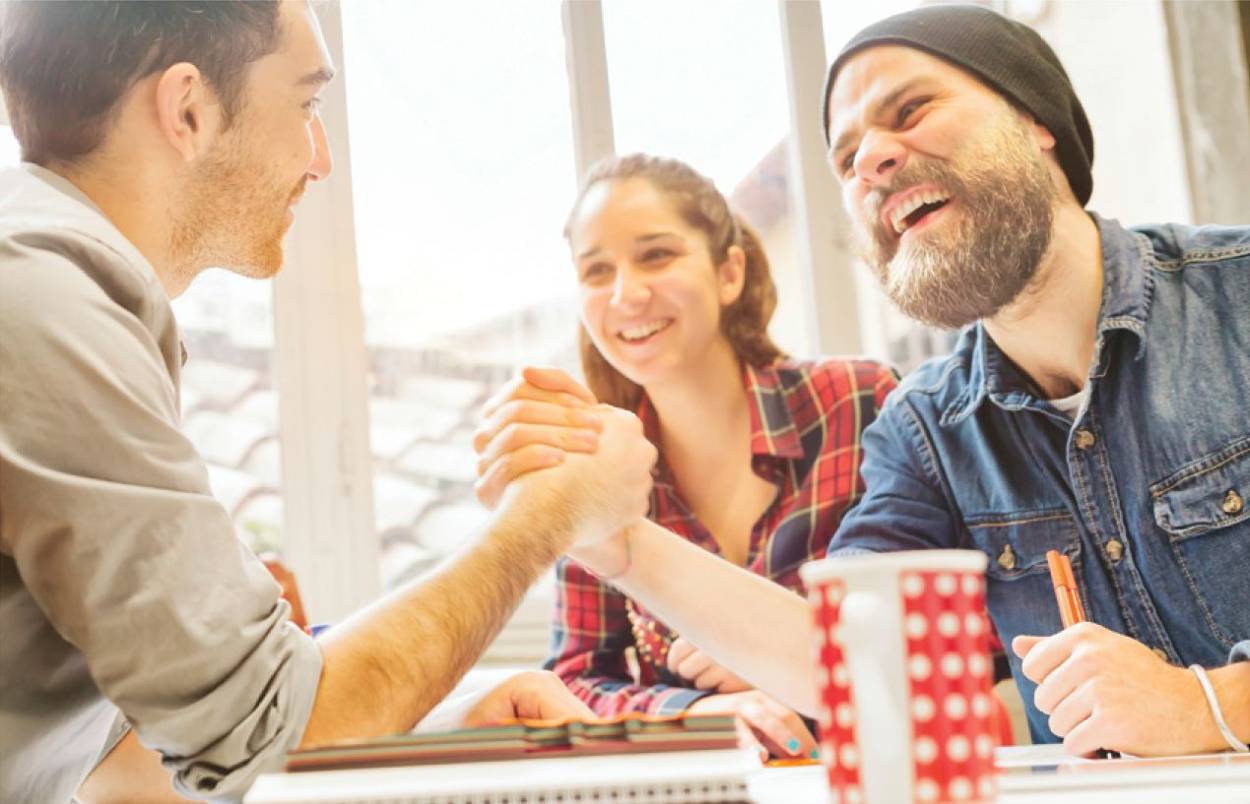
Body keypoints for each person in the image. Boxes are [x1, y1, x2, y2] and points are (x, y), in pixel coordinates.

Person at [474, 5, 1250, 758]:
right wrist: (615, 539)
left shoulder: (1238, 298)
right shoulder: (926, 430)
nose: (871, 160)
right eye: (846, 158)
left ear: (1036, 119)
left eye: (911, 109)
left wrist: (1204, 705)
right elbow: (846, 660)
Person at [0, 3, 656, 802]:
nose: (322, 161)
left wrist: (431, 728)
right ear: (188, 110)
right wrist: (546, 518)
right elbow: (266, 740)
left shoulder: (52, 293)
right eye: (307, 104)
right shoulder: (42, 308)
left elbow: (130, 758)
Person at [473, 154, 896, 759]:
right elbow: (574, 681)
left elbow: (937, 631)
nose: (626, 294)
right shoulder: (593, 464)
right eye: (596, 271)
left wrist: (780, 650)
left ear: (729, 273)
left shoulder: (859, 403)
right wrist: (696, 713)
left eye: (656, 255)